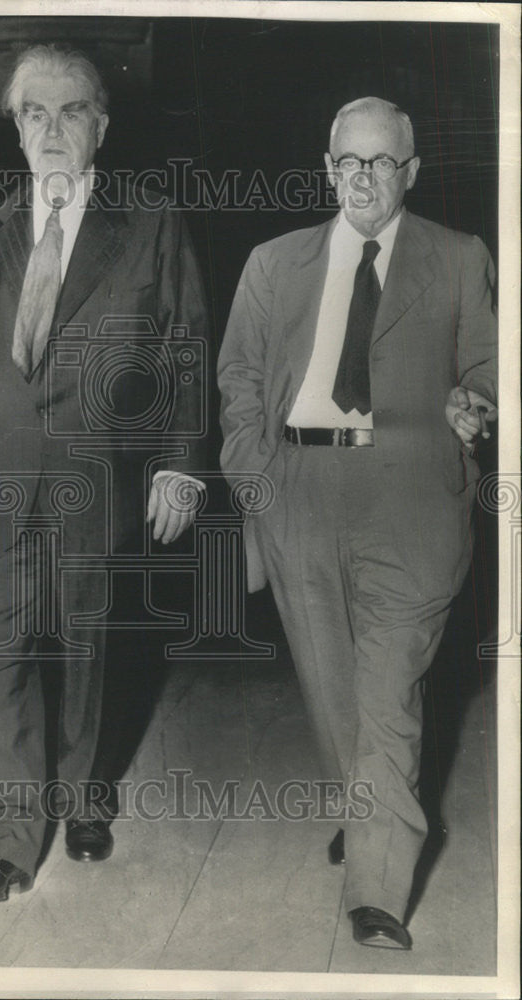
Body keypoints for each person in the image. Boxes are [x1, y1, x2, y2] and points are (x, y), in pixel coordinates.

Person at [0, 45, 208, 901]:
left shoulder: (150, 221)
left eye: (70, 111)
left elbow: (185, 349)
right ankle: (5, 847)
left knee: (87, 648)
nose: (51, 129)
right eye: (32, 113)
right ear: (14, 130)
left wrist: (181, 469)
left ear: (100, 128)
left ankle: (83, 801)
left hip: (99, 477)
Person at [218, 97, 497, 950]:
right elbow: (238, 376)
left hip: (409, 497)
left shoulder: (456, 258)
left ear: (410, 171)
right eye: (350, 161)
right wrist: (253, 475)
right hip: (298, 488)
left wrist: (475, 405)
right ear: (327, 168)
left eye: (382, 162)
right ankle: (365, 809)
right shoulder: (274, 263)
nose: (364, 177)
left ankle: (375, 888)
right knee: (333, 687)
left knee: (387, 696)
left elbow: (489, 364)